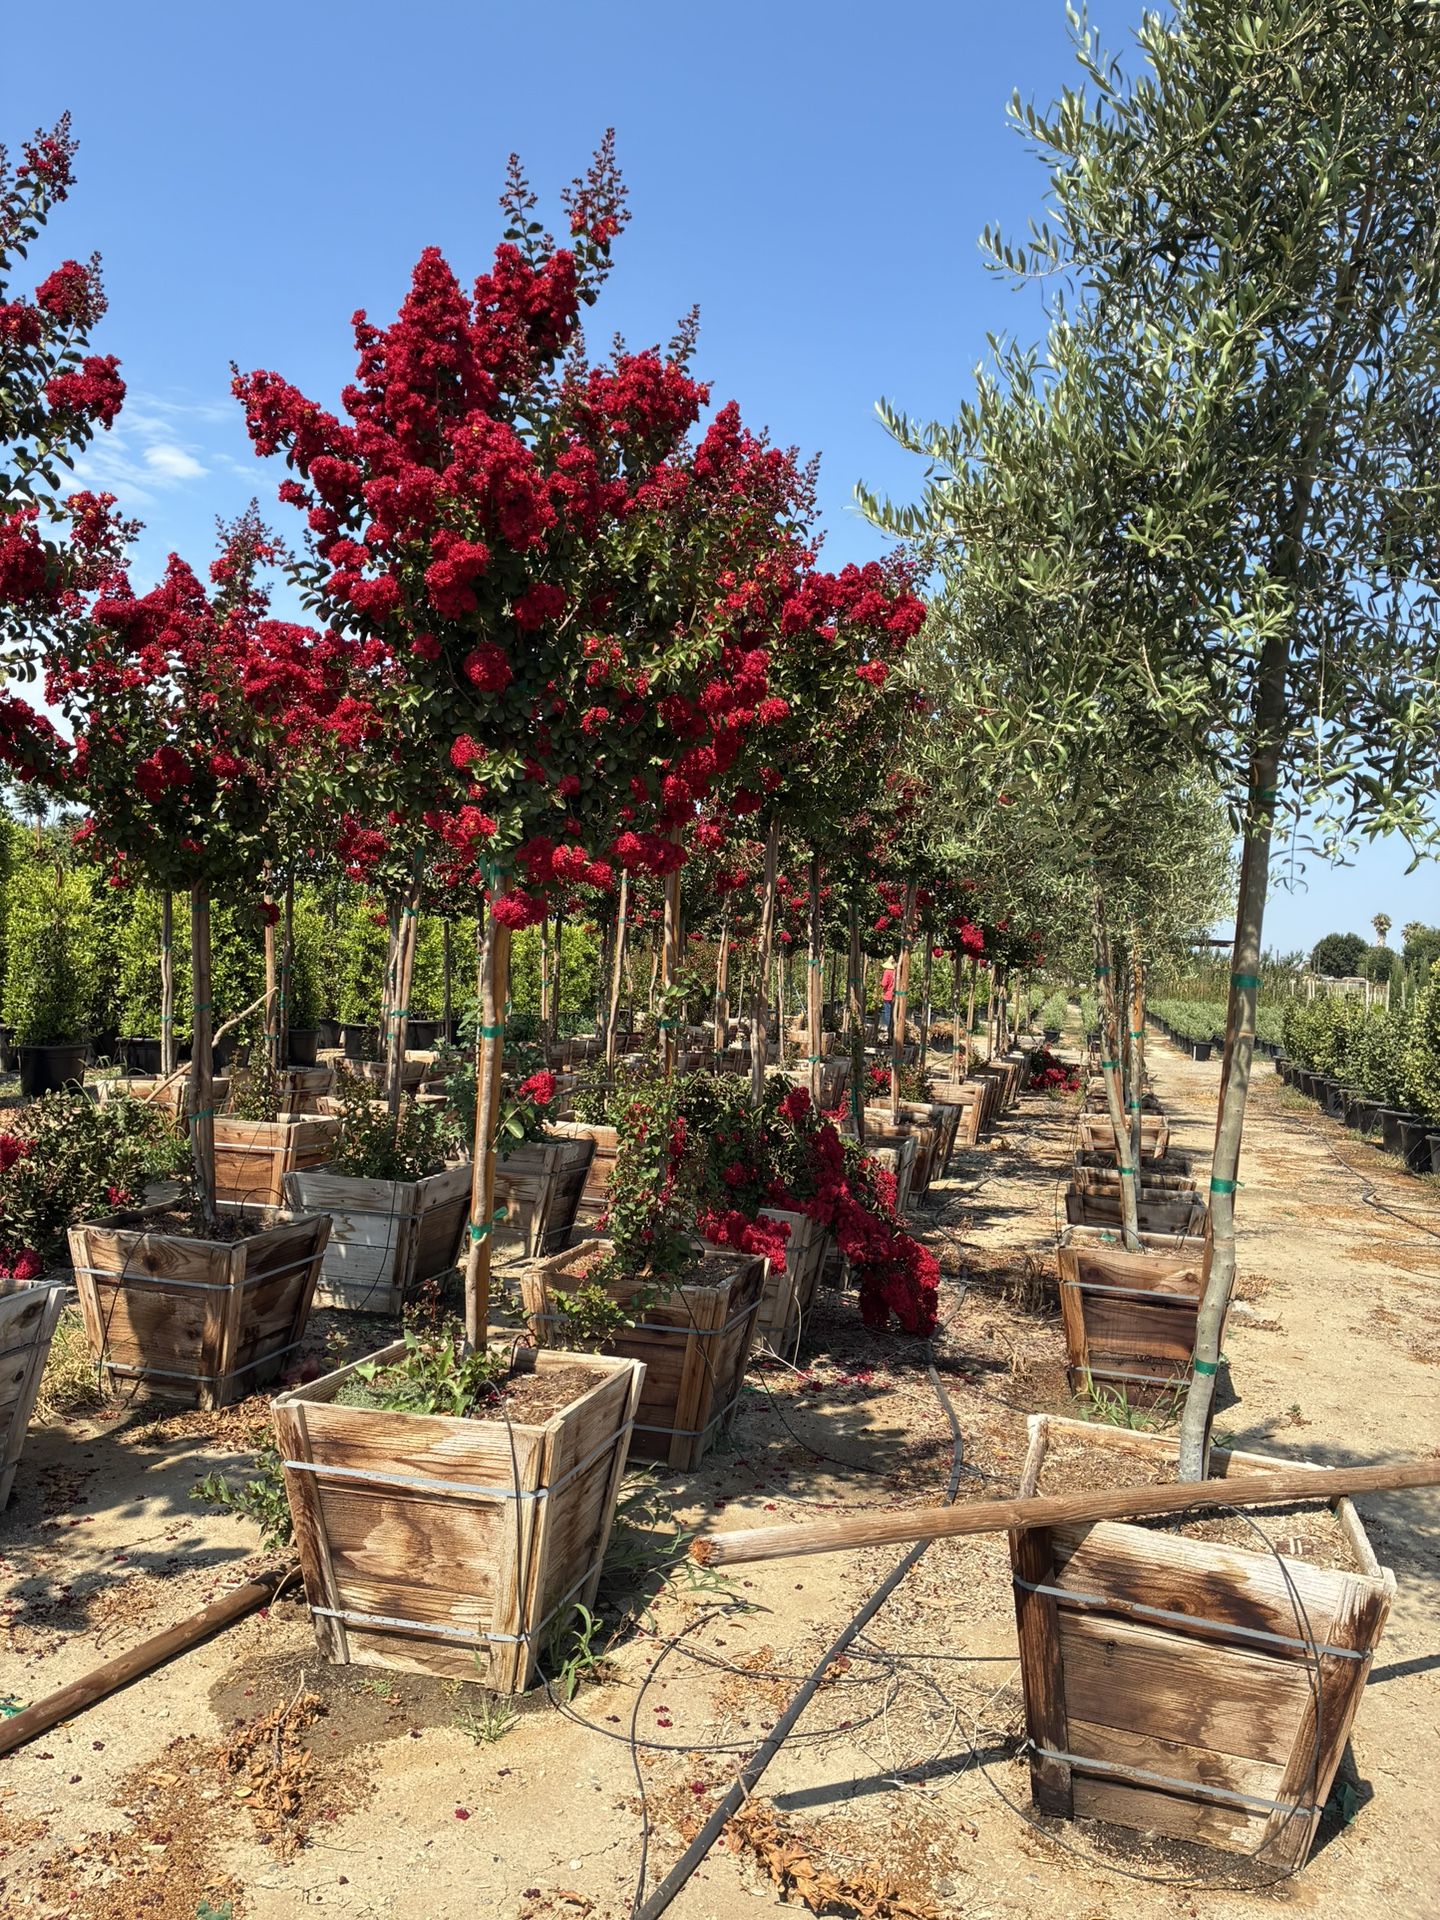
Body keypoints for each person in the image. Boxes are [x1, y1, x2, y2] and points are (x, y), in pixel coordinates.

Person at [879, 956, 897, 1040]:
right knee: (893, 1013)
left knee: (887, 1013)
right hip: (895, 996)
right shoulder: (896, 972)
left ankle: (887, 1028)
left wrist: (880, 983)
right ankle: (892, 1029)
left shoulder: (887, 972)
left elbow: (884, 983)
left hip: (888, 995)